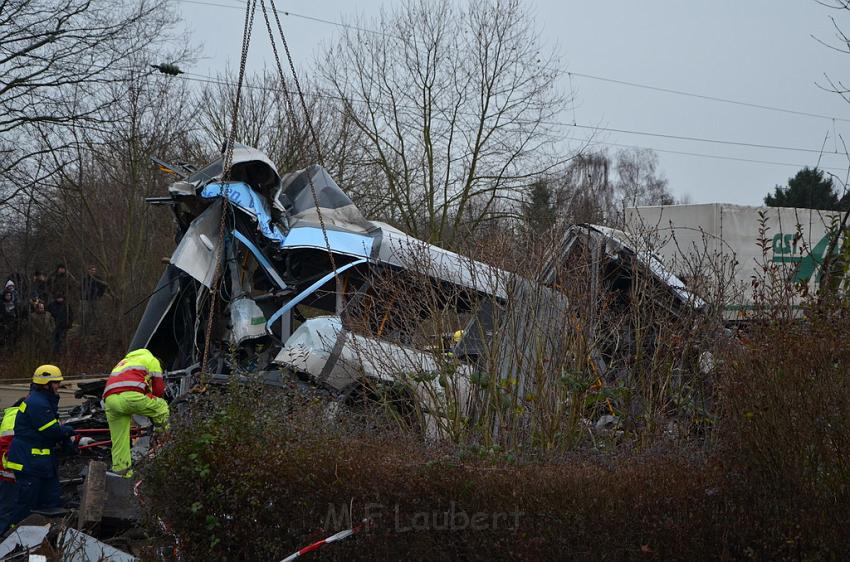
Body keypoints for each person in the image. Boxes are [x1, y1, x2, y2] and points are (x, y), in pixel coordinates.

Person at [0, 365, 75, 533]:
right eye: (55, 383)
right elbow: (51, 431)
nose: (58, 386)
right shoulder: (37, 403)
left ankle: (45, 537)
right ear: (45, 383)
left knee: (50, 501)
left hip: (41, 464)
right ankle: (12, 540)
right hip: (29, 463)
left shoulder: (42, 401)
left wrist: (66, 441)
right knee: (24, 505)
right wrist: (68, 431)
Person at [103, 349, 170, 478]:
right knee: (161, 407)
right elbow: (158, 391)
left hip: (110, 400)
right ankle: (166, 441)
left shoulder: (124, 361)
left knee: (119, 440)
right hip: (130, 396)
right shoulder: (152, 361)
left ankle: (122, 475)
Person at [80, 265, 107, 335]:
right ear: (88, 271)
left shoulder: (98, 279)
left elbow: (103, 287)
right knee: (86, 314)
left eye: (94, 270)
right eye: (91, 270)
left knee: (96, 315)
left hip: (95, 299)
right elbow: (81, 288)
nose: (93, 272)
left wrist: (99, 295)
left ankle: (93, 330)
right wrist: (82, 297)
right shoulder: (85, 279)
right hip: (85, 299)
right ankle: (84, 330)